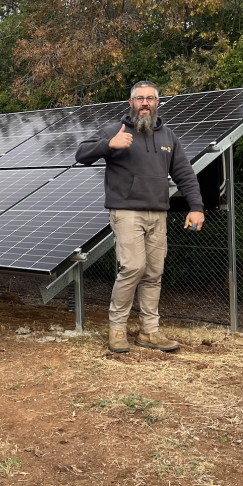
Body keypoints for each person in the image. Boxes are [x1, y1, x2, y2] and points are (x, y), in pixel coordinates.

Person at [74, 81, 205, 353]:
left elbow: (184, 174)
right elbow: (82, 153)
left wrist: (196, 207)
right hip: (126, 212)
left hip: (158, 213)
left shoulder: (168, 137)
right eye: (139, 99)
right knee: (132, 268)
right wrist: (109, 145)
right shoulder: (115, 130)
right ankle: (117, 330)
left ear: (157, 103)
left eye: (150, 99)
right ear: (130, 103)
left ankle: (149, 332)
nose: (145, 103)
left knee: (154, 272)